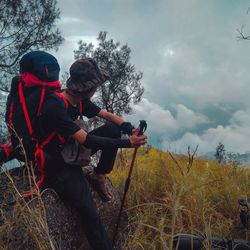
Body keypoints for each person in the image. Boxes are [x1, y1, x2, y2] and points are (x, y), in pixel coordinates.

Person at [5, 52, 147, 250]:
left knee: (113, 130)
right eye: (96, 85)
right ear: (88, 87)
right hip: (56, 163)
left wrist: (128, 128)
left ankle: (99, 175)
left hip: (70, 149)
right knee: (89, 210)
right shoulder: (54, 106)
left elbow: (105, 114)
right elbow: (86, 140)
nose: (96, 88)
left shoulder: (78, 98)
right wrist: (129, 143)